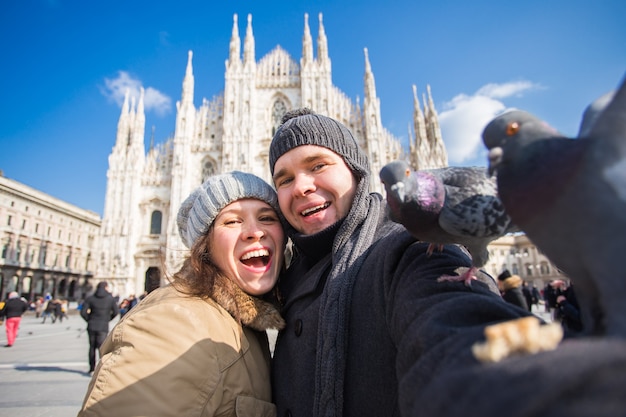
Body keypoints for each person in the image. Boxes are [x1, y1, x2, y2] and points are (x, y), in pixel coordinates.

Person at [268, 108, 626, 417]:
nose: (301, 186)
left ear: (356, 171)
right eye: (284, 178)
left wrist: (533, 386)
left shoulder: (408, 244)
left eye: (318, 165)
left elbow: (453, 325)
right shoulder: (282, 274)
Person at [78, 171, 286, 416]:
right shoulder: (172, 322)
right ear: (203, 245)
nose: (255, 231)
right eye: (232, 221)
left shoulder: (245, 318)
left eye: (267, 218)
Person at [80, 281, 119, 374]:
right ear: (105, 287)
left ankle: (91, 368)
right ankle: (102, 367)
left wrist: (89, 319)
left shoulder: (90, 298)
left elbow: (83, 312)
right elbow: (116, 311)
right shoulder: (110, 299)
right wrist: (107, 319)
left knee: (92, 347)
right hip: (103, 326)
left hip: (91, 325)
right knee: (102, 348)